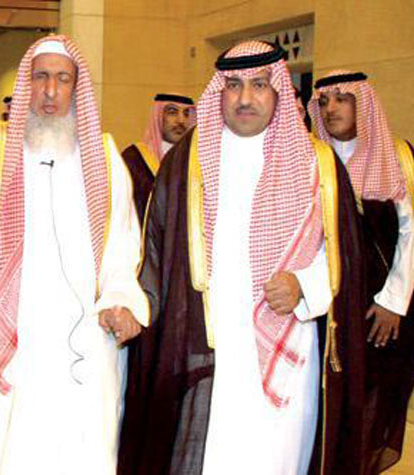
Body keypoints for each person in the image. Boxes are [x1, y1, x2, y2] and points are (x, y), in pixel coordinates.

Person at [118, 40, 368, 475]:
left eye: (259, 85)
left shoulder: (318, 164)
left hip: (289, 350)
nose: (245, 98)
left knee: (279, 459)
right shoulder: (189, 161)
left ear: (278, 91)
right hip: (208, 350)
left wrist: (304, 285)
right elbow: (153, 251)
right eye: (233, 85)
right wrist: (132, 306)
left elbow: (344, 253)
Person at [0, 35, 149, 474]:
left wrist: (119, 301)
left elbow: (122, 246)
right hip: (2, 336)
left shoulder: (105, 157)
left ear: (77, 87)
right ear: (26, 84)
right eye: (41, 78)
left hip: (82, 347)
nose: (50, 91)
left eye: (63, 79)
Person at [310, 70, 414, 473]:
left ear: (363, 103)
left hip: (378, 310)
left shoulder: (397, 156)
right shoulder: (313, 159)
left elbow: (410, 233)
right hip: (324, 307)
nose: (330, 108)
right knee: (326, 401)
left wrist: (393, 302)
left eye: (342, 98)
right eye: (324, 101)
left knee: (372, 400)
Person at [121, 93, 196, 223]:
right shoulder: (134, 159)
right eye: (172, 112)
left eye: (186, 113)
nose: (181, 120)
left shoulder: (196, 160)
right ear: (158, 117)